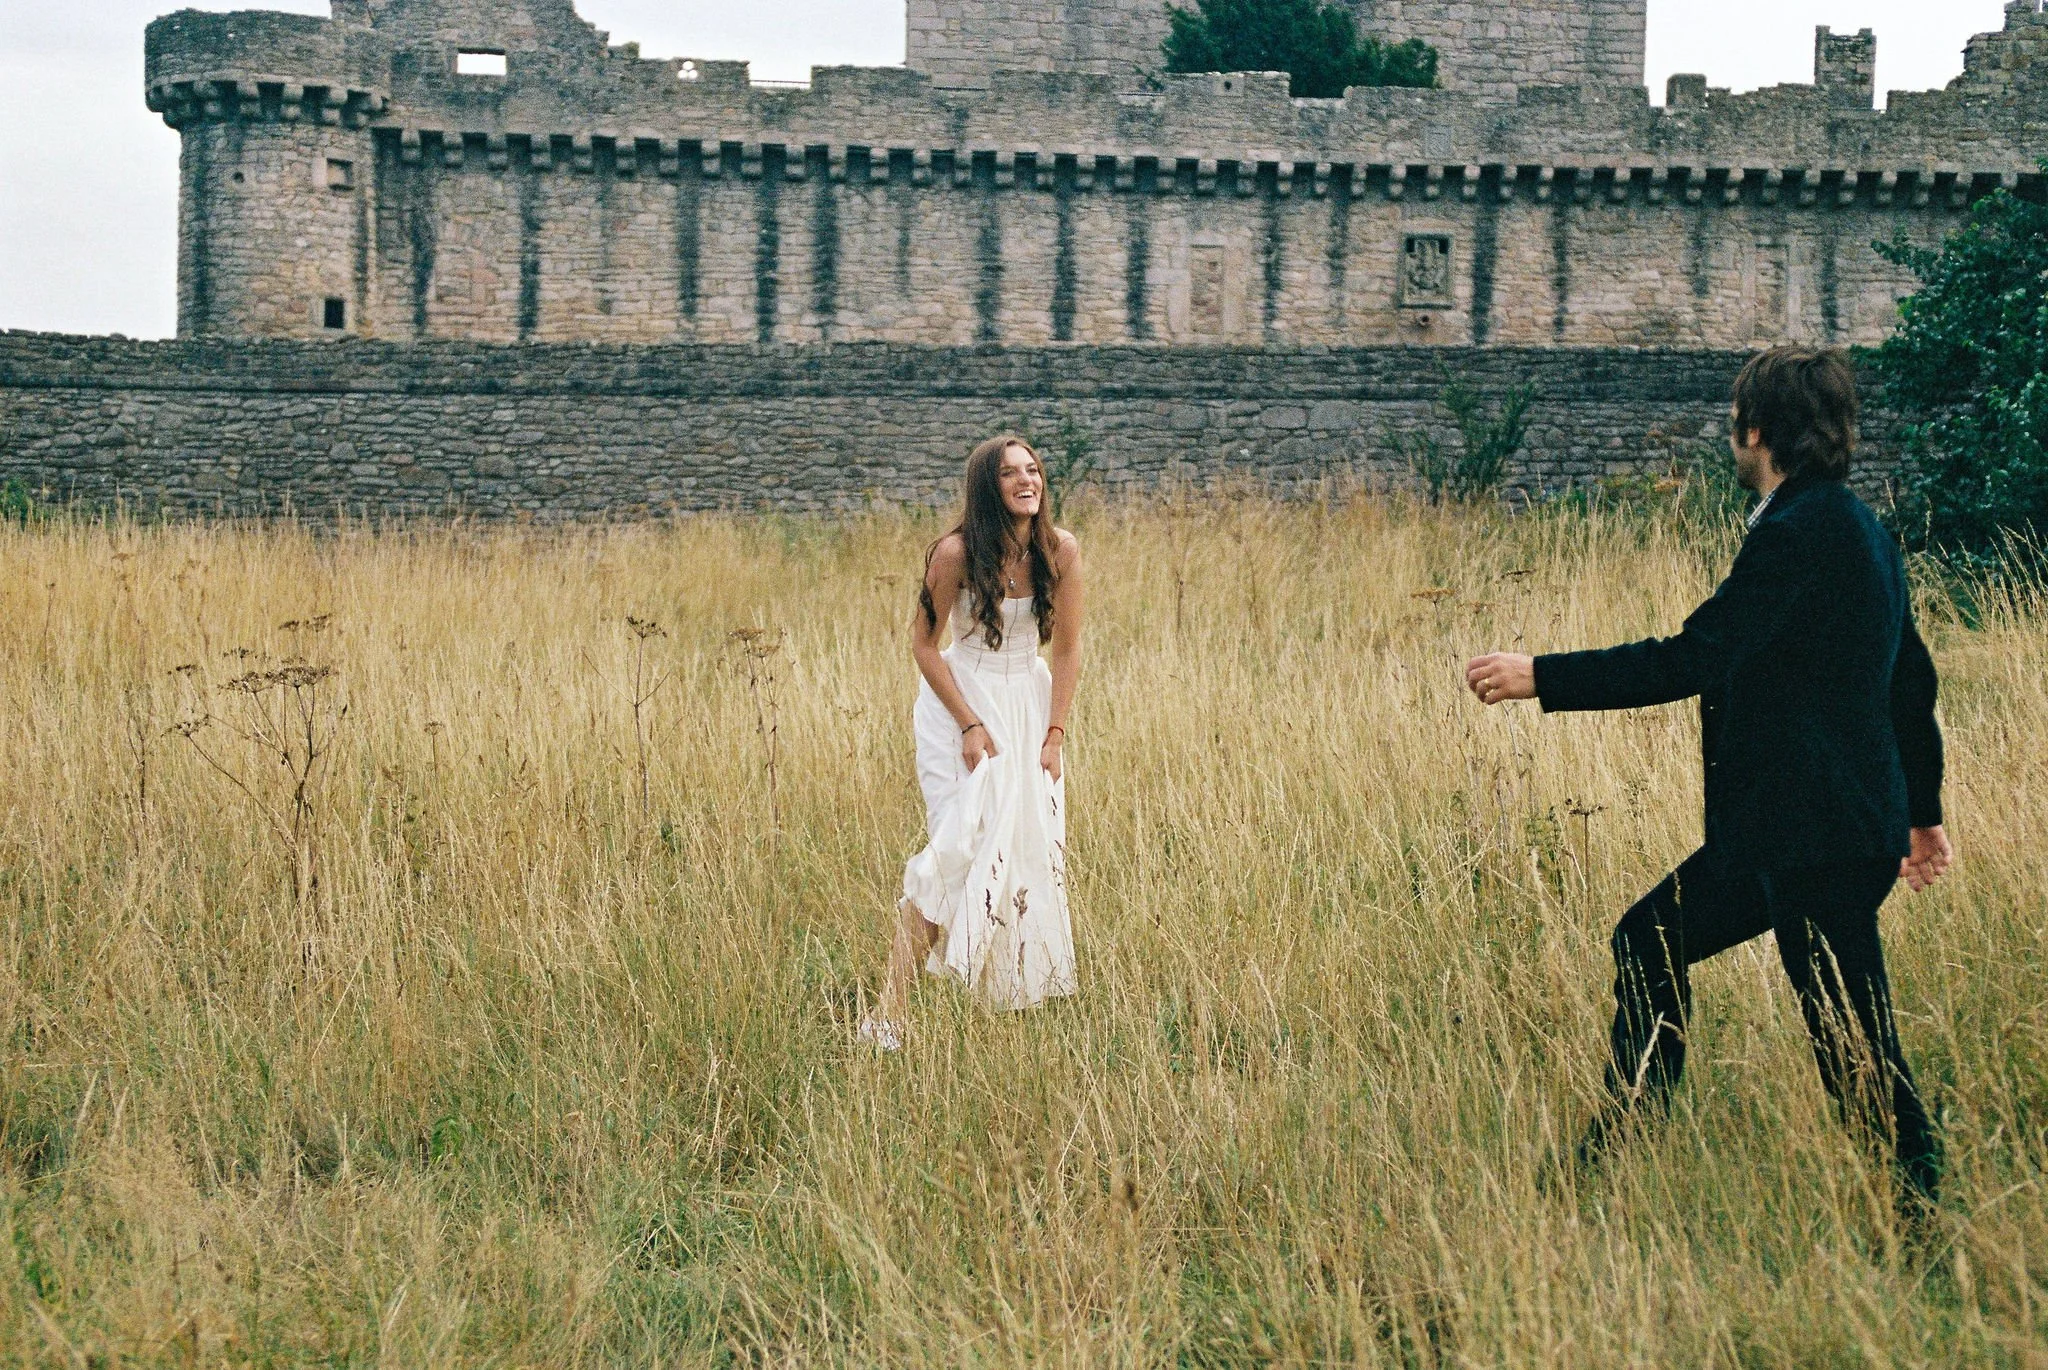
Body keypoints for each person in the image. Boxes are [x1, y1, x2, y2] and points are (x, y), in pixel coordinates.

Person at [1465, 346, 1951, 1215]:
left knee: (1854, 1044)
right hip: (1790, 831)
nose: (1733, 438)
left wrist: (1543, 674)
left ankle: (1921, 1215)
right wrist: (1921, 812)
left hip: (1817, 837)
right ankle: (1621, 1144)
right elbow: (1910, 679)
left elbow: (1698, 655)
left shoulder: (1802, 534)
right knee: (1649, 941)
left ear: (1756, 430)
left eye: (1737, 422)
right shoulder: (1857, 527)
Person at [860, 435, 1086, 1050]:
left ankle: (1003, 1002)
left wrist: (1054, 735)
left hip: (1027, 705)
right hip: (959, 704)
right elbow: (924, 647)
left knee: (1021, 850)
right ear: (988, 486)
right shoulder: (955, 553)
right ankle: (888, 1014)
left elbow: (1064, 649)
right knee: (956, 849)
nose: (1027, 481)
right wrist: (967, 724)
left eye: (1034, 470)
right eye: (1011, 473)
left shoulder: (1061, 550)